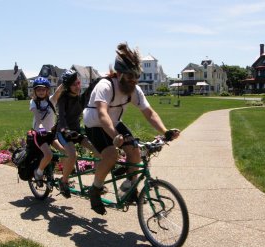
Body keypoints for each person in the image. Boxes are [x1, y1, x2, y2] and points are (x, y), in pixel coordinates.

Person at [83, 42, 180, 215]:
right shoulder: (105, 86)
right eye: (129, 77)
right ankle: (95, 189)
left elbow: (149, 113)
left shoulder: (134, 90)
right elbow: (103, 114)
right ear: (118, 73)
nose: (133, 81)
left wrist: (165, 132)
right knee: (111, 154)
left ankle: (129, 188)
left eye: (136, 76)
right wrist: (115, 136)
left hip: (114, 122)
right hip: (95, 123)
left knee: (134, 151)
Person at [56, 69, 101, 198]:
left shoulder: (80, 98)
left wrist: (102, 80)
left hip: (75, 132)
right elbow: (62, 119)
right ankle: (63, 181)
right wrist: (66, 131)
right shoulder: (63, 99)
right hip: (63, 133)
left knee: (98, 151)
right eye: (74, 84)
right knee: (72, 154)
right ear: (68, 87)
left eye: (78, 83)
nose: (77, 86)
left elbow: (91, 89)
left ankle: (96, 185)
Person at [30, 77, 65, 187]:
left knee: (65, 151)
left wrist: (66, 81)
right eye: (38, 90)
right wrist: (41, 128)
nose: (41, 92)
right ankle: (38, 173)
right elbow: (37, 116)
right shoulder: (34, 102)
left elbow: (59, 91)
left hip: (51, 134)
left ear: (47, 90)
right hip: (39, 135)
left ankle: (65, 177)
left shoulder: (51, 100)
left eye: (43, 89)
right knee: (49, 154)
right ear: (35, 91)